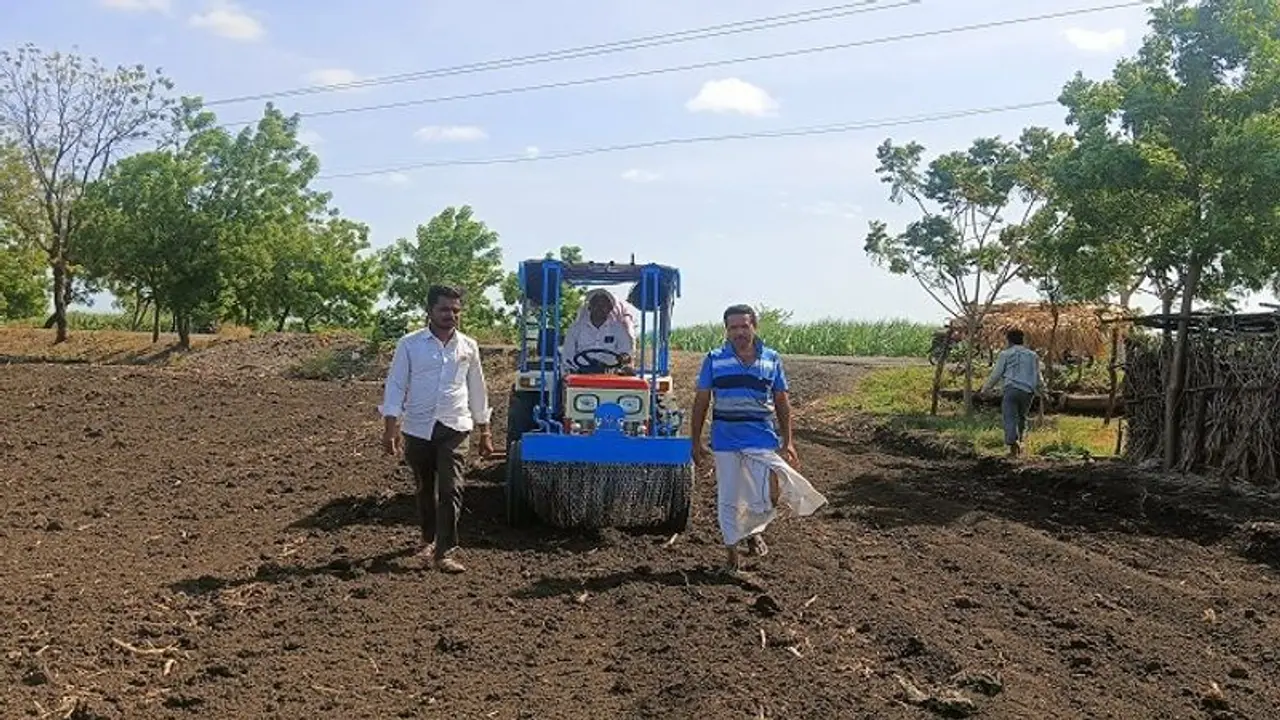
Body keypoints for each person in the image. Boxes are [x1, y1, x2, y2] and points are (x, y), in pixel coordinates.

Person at [690, 304, 827, 574]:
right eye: (733, 327)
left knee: (766, 496)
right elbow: (702, 400)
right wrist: (695, 441)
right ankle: (732, 556)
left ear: (754, 326)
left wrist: (788, 441)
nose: (739, 332)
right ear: (726, 330)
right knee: (729, 498)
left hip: (761, 438)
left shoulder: (772, 359)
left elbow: (781, 401)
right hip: (726, 440)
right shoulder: (714, 359)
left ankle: (753, 532)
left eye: (744, 326)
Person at [381, 284, 495, 574]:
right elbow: (396, 385)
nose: (451, 315)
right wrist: (390, 427)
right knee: (424, 488)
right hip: (418, 428)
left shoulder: (468, 346)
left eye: (456, 310)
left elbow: (477, 388)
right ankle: (428, 536)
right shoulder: (409, 344)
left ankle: (445, 552)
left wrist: (485, 430)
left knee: (451, 488)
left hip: (455, 426)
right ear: (430, 310)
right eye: (444, 309)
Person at [980, 328, 1046, 458]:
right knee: (1022, 417)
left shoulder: (1005, 354)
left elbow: (996, 374)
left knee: (1010, 416)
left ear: (1008, 341)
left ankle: (1013, 445)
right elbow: (1038, 375)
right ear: (1023, 340)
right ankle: (1021, 442)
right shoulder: (1033, 356)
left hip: (1012, 389)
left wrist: (985, 389)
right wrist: (1043, 390)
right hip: (1028, 392)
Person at [560, 288, 637, 374]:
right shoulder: (575, 328)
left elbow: (626, 351)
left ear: (610, 308)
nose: (599, 308)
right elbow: (568, 355)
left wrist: (624, 358)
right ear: (589, 307)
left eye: (603, 305)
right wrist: (572, 371)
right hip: (581, 373)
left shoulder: (619, 329)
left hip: (610, 375)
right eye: (596, 304)